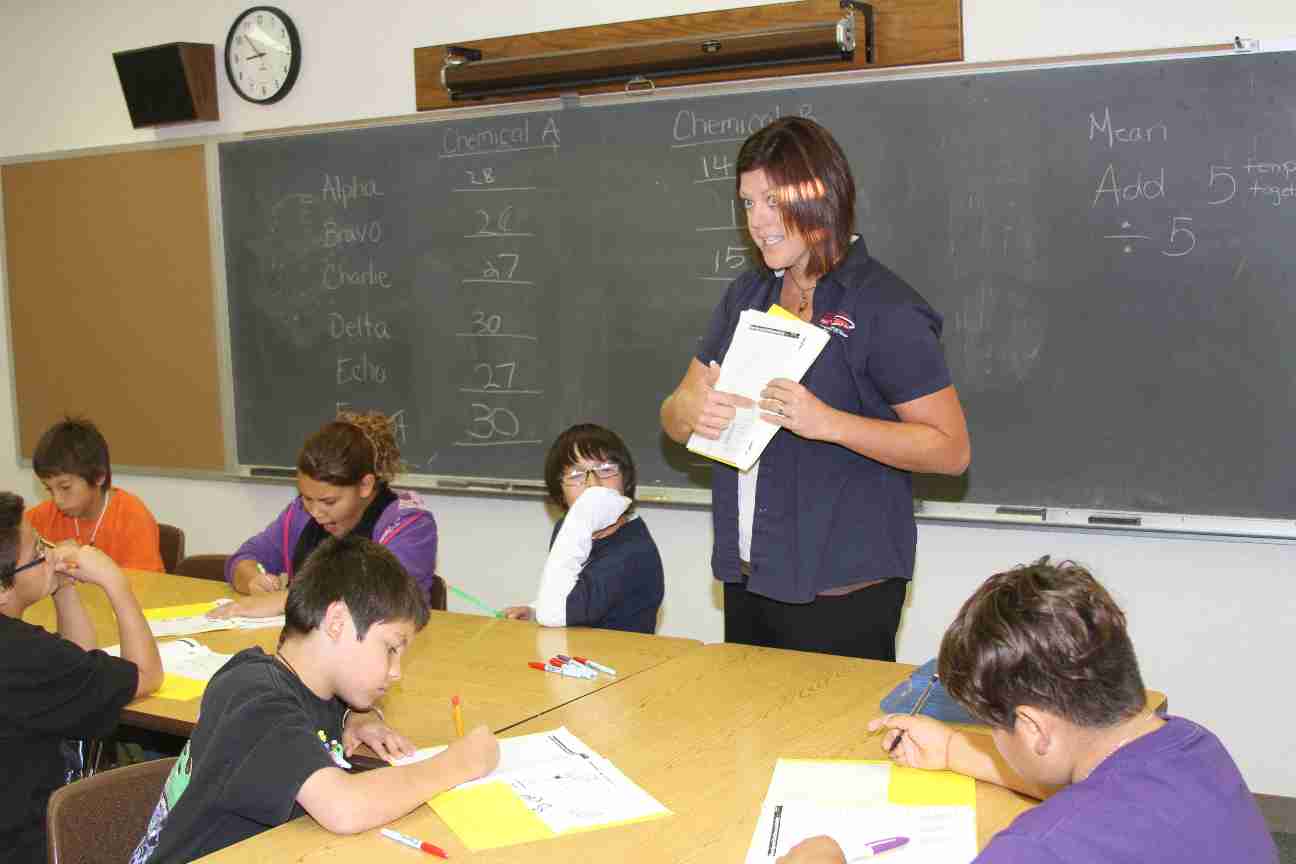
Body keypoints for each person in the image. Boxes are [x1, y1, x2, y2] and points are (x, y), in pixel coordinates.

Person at [660, 116, 970, 661]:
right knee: (749, 736)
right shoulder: (747, 295)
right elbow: (674, 414)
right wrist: (688, 408)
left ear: (821, 196)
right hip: (751, 572)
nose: (758, 221)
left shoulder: (884, 306)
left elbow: (950, 449)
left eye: (772, 201)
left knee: (828, 743)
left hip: (843, 586)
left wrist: (828, 423)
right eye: (748, 203)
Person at [779, 558, 1277, 864]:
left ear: (1035, 727)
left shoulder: (1039, 849)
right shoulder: (1194, 746)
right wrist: (955, 748)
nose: (992, 739)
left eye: (992, 728)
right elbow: (1096, 790)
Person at [130, 536, 499, 863]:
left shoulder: (308, 684)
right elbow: (344, 808)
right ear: (337, 621)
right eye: (390, 649)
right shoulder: (253, 697)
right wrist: (456, 764)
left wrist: (359, 715)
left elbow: (326, 713)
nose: (396, 671)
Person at [0, 491, 163, 864]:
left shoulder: (37, 659)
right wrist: (115, 583)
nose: (49, 553)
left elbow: (75, 666)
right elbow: (147, 675)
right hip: (29, 845)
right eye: (37, 553)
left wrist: (63, 587)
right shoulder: (26, 657)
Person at [216, 411, 438, 618]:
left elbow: (386, 596)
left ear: (365, 485)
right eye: (306, 497)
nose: (315, 512)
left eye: (328, 501)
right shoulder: (300, 515)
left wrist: (285, 600)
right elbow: (244, 558)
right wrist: (253, 579)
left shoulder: (410, 526)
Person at [504, 424, 664, 634]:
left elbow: (555, 614)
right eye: (576, 474)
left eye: (606, 470)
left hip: (622, 661)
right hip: (576, 651)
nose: (593, 484)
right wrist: (534, 610)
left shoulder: (631, 550)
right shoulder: (569, 528)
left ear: (625, 480)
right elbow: (572, 592)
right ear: (559, 491)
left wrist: (580, 519)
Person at [26, 416, 165, 571]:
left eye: (65, 487)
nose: (57, 500)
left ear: (99, 476)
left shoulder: (132, 518)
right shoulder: (43, 517)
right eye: (49, 489)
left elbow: (144, 590)